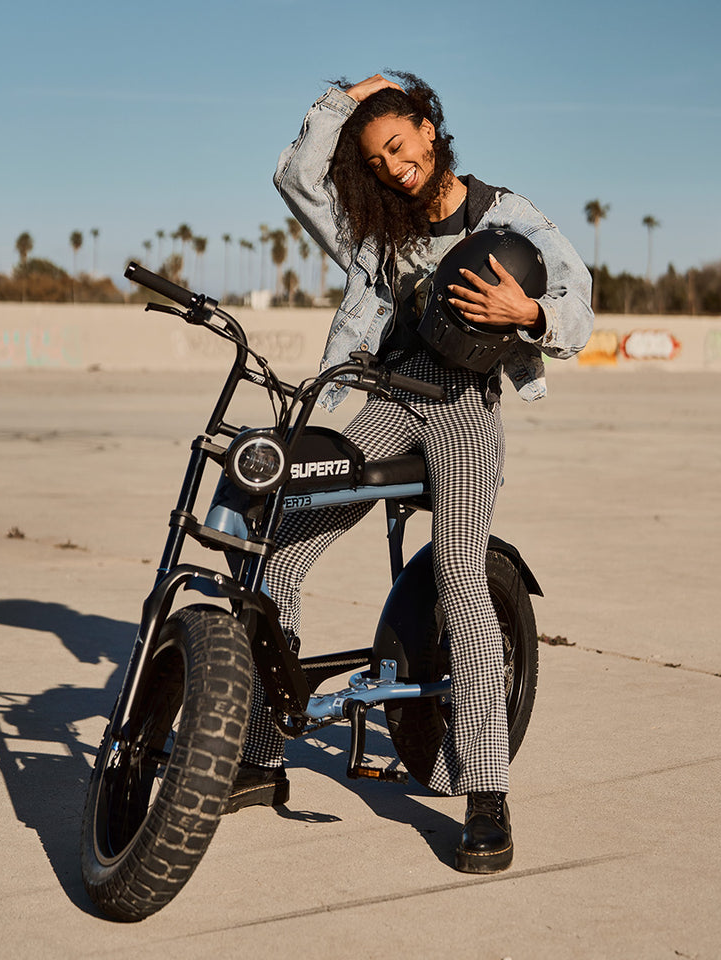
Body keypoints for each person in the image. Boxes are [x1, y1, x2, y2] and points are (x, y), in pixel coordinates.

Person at [225, 71, 592, 876]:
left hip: (463, 406)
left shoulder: (506, 215)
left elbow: (580, 302)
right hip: (388, 399)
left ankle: (487, 795)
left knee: (460, 573)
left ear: (430, 128)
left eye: (399, 145)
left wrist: (528, 313)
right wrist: (349, 97)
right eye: (377, 160)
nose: (394, 168)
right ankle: (259, 757)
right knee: (280, 556)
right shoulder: (374, 228)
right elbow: (294, 175)